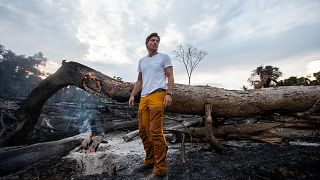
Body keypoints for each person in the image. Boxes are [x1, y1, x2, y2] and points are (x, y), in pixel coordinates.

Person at [129, 32, 174, 180]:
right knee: (143, 131)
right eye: (152, 40)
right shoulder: (142, 61)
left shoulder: (164, 57)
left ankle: (161, 169)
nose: (155, 42)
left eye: (157, 41)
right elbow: (140, 81)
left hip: (158, 95)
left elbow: (170, 76)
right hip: (143, 98)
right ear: (147, 43)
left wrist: (169, 93)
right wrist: (133, 95)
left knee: (155, 131)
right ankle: (150, 160)